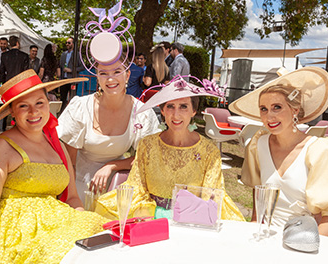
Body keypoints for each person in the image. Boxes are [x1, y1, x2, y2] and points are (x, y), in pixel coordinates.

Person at [0, 70, 109, 263]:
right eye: (23, 106)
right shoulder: (1, 148)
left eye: (39, 103)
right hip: (17, 231)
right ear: (12, 111)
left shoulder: (58, 146)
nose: (34, 112)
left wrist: (83, 222)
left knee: (106, 239)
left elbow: (72, 197)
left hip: (55, 225)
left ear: (48, 104)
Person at [229, 67, 328, 237]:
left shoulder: (321, 150)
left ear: (295, 110)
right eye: (263, 109)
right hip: (268, 234)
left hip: (309, 237)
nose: (269, 117)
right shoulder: (258, 144)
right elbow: (258, 190)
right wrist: (256, 223)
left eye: (277, 107)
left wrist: (309, 247)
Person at [95, 76, 245, 222]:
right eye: (170, 106)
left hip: (192, 220)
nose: (176, 114)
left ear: (194, 111)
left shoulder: (209, 151)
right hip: (151, 218)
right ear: (163, 110)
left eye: (183, 106)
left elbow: (211, 196)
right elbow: (137, 187)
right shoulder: (147, 145)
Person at [57, 56, 160, 205]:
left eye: (117, 71)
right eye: (103, 73)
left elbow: (146, 159)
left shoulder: (141, 112)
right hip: (78, 187)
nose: (110, 79)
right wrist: (72, 200)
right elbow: (69, 161)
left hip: (117, 190)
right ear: (97, 77)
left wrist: (112, 165)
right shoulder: (81, 107)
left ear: (127, 75)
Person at [59, 37, 85, 112]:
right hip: (64, 79)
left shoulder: (77, 55)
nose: (67, 44)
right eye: (66, 42)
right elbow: (60, 67)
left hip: (72, 79)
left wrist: (71, 70)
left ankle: (72, 113)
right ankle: (61, 114)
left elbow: (82, 67)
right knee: (63, 98)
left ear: (73, 44)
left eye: (69, 43)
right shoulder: (63, 54)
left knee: (72, 99)